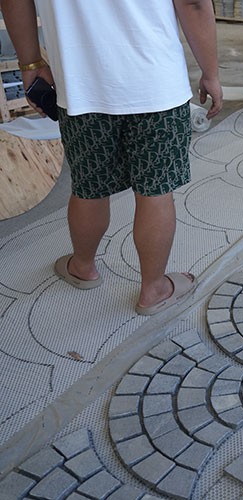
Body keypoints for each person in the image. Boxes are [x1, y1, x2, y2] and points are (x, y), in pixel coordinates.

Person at [0, 0, 223, 316]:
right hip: (156, 85)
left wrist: (31, 64)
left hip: (80, 86)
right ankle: (154, 289)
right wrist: (211, 73)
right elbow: (194, 3)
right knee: (155, 191)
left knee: (88, 186)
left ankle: (82, 267)